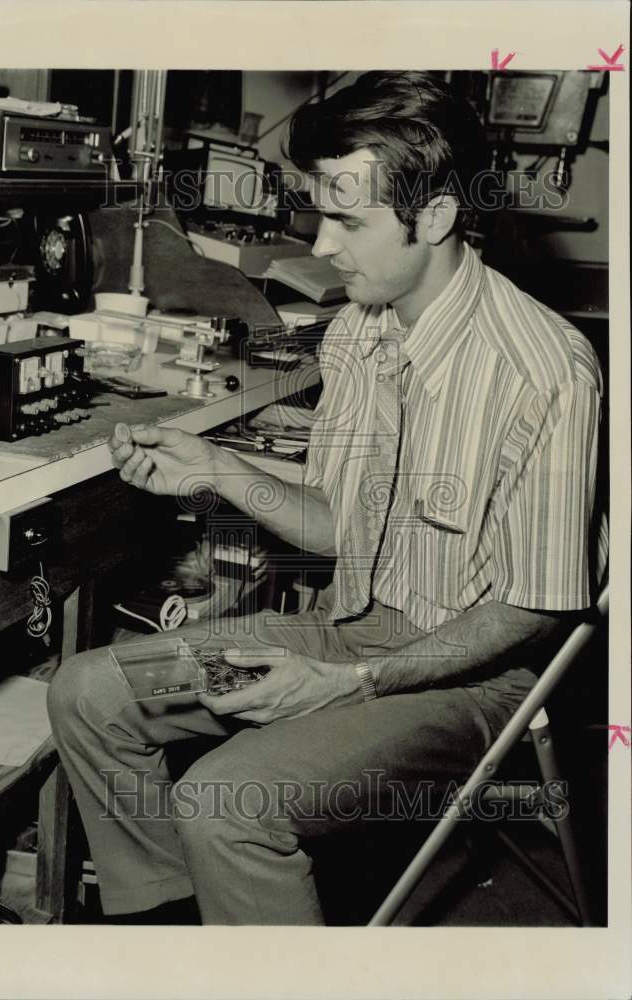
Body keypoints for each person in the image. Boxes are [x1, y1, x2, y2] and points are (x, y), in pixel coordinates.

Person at [48, 71, 605, 925]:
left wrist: (348, 682)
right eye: (319, 213)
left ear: (438, 218)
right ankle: (176, 926)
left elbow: (535, 607)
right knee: (90, 694)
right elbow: (341, 527)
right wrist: (219, 470)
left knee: (224, 800)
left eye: (348, 220)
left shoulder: (543, 370)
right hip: (346, 626)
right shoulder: (360, 329)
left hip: (471, 682)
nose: (324, 245)